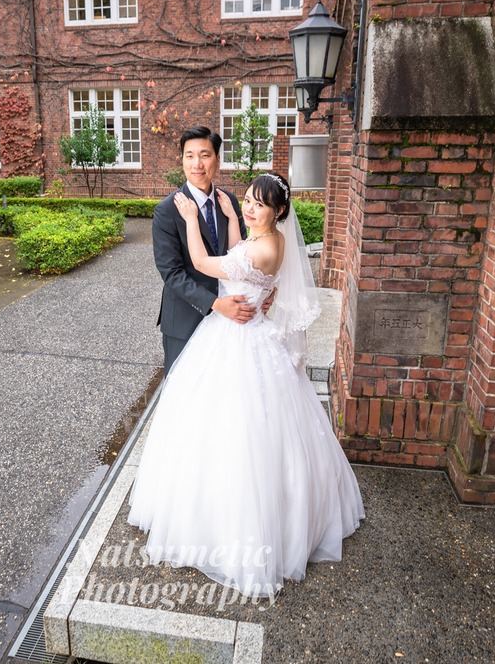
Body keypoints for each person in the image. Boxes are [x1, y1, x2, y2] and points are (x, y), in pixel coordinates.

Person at [128, 171, 365, 598]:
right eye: (249, 201)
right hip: (252, 333)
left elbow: (203, 263)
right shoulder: (269, 242)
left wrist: (187, 218)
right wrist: (232, 218)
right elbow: (244, 248)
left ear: (279, 211)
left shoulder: (260, 250)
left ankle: (235, 532)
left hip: (235, 338)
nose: (250, 208)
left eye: (259, 204)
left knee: (233, 429)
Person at [153, 125, 253, 371]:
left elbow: (241, 256)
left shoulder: (228, 201)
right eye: (190, 155)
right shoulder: (167, 210)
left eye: (205, 155)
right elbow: (171, 273)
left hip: (229, 321)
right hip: (185, 319)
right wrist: (216, 304)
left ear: (217, 160)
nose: (197, 163)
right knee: (183, 396)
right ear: (182, 160)